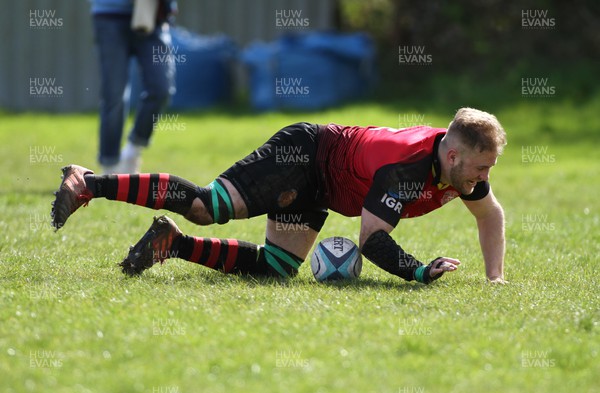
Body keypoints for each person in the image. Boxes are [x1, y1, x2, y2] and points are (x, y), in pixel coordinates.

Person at [51, 107, 507, 285]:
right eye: (481, 167)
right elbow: (372, 240)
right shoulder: (405, 170)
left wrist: (495, 279)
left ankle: (174, 244)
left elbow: (490, 216)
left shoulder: (463, 171)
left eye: (489, 168)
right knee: (208, 207)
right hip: (303, 155)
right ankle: (90, 182)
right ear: (451, 156)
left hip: (321, 188)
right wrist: (421, 271)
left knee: (275, 268)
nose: (484, 178)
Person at [91, 0, 176, 174]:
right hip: (109, 14)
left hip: (152, 13)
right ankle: (109, 167)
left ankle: (133, 149)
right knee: (114, 95)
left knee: (161, 88)